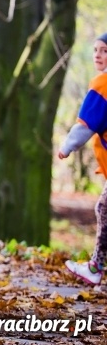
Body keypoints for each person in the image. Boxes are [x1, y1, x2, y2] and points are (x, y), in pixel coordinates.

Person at [58, 32, 107, 286]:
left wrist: (67, 145)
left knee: (104, 208)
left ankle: (95, 268)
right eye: (96, 49)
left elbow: (86, 125)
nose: (98, 55)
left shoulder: (102, 84)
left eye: (105, 51)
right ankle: (95, 266)